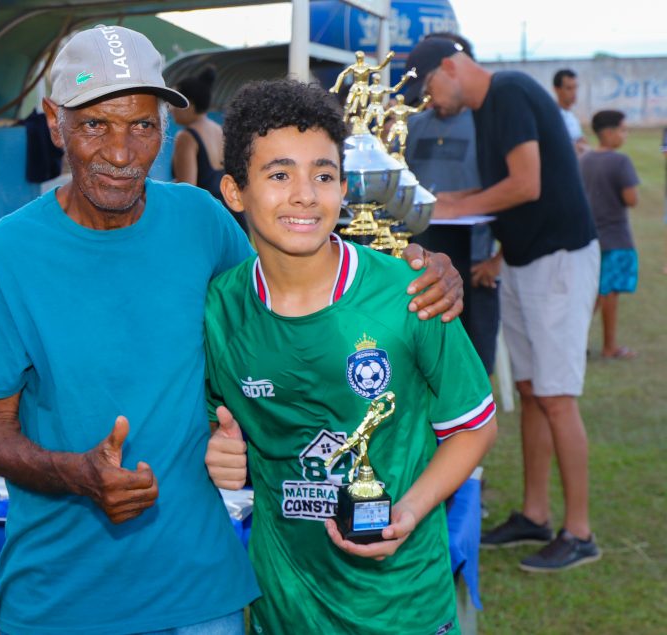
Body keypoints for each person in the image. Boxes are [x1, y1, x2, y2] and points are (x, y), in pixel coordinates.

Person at [0, 24, 465, 635]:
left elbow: (291, 291)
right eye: (95, 125)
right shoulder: (6, 253)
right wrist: (76, 474)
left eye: (142, 126)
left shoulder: (201, 221)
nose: (121, 152)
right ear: (53, 122)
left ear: (165, 129)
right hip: (60, 598)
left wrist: (414, 265)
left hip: (201, 594)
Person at [203, 79, 497, 634]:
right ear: (235, 191)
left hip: (404, 608)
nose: (305, 195)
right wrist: (217, 449)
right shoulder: (221, 310)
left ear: (343, 187)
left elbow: (474, 426)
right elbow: (211, 425)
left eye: (324, 174)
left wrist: (409, 511)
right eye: (279, 174)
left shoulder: (412, 292)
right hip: (283, 611)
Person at [405, 37, 602, 572]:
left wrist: (454, 204)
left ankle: (579, 531)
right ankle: (535, 515)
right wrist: (498, 260)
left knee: (557, 397)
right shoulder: (484, 108)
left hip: (559, 260)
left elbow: (527, 184)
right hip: (521, 263)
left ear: (449, 66)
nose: (429, 103)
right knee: (531, 390)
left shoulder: (510, 91)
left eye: (428, 89)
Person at [405, 32, 501, 374]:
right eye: (423, 92)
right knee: (425, 367)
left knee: (473, 368)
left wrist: (498, 259)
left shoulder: (486, 124)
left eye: (432, 87)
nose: (430, 99)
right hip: (421, 265)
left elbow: (514, 191)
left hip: (474, 264)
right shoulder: (413, 126)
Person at [580, 109, 640, 360]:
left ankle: (576, 338)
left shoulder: (584, 160)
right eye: (623, 130)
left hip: (591, 237)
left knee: (594, 293)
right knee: (609, 293)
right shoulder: (620, 161)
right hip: (615, 237)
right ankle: (610, 346)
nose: (625, 135)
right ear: (609, 132)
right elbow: (631, 198)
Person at [171, 67, 247, 233]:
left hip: (209, 222)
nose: (171, 108)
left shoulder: (186, 137)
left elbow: (187, 191)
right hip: (235, 218)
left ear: (189, 105)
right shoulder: (218, 130)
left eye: (176, 102)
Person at [553, 69, 589, 156]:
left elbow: (581, 140)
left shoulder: (571, 116)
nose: (574, 92)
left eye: (576, 87)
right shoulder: (552, 117)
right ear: (556, 89)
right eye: (569, 88)